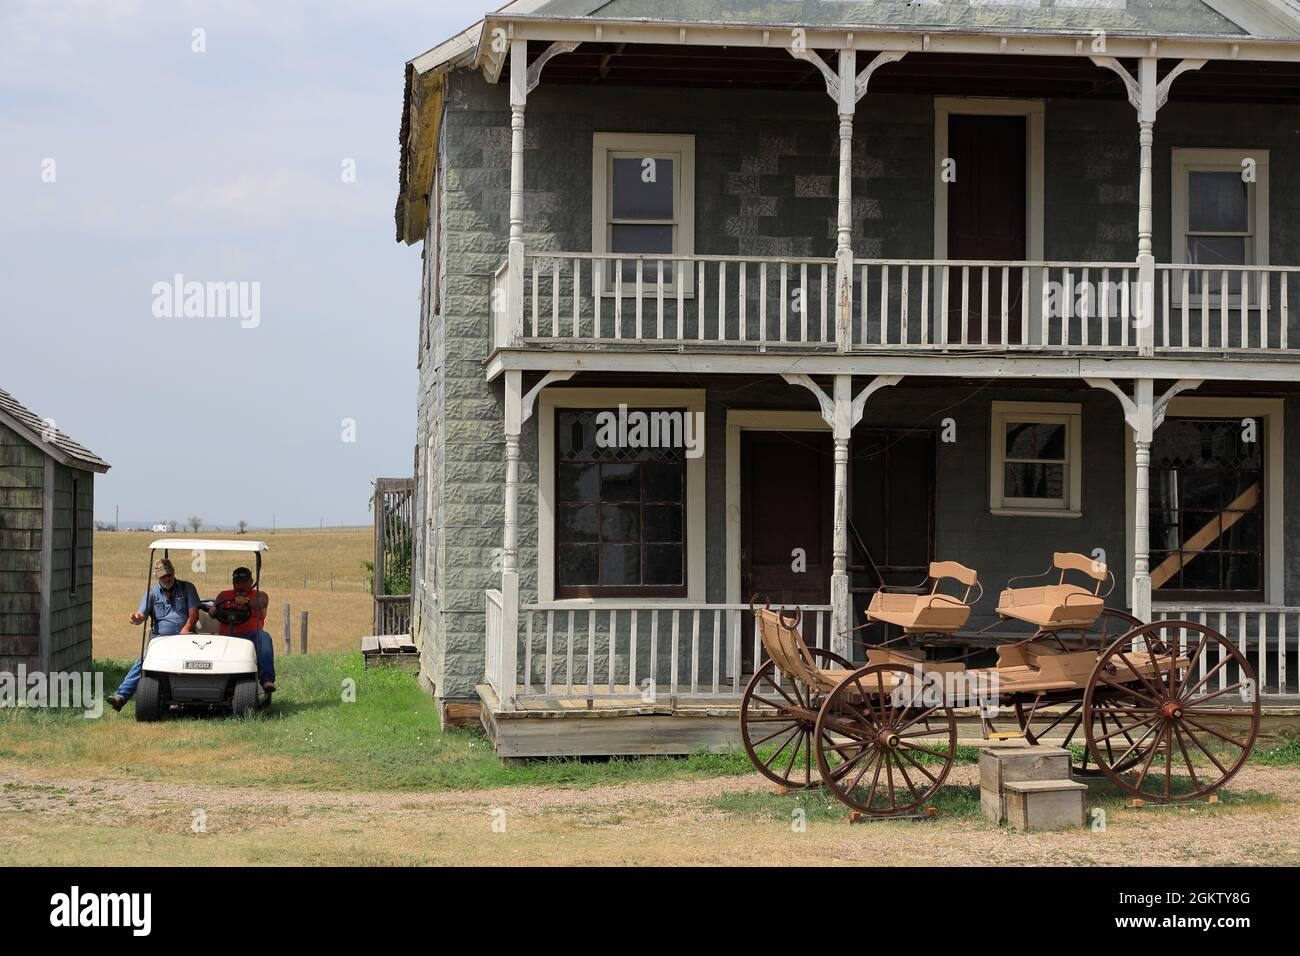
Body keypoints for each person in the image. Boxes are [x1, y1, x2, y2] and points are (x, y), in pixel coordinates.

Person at [107, 558, 199, 712]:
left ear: (173, 572)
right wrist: (136, 617)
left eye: (169, 574)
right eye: (163, 576)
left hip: (186, 636)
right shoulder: (151, 594)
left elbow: (194, 615)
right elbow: (141, 615)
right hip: (160, 639)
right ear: (157, 577)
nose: (167, 578)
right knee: (143, 661)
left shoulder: (187, 588)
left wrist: (186, 630)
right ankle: (121, 697)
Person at [212, 566, 276, 693]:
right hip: (226, 636)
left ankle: (267, 680)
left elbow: (261, 604)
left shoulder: (259, 595)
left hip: (250, 636)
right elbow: (213, 610)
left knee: (264, 637)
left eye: (244, 582)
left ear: (251, 582)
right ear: (233, 582)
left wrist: (246, 602)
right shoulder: (224, 595)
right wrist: (212, 611)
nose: (240, 586)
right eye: (237, 582)